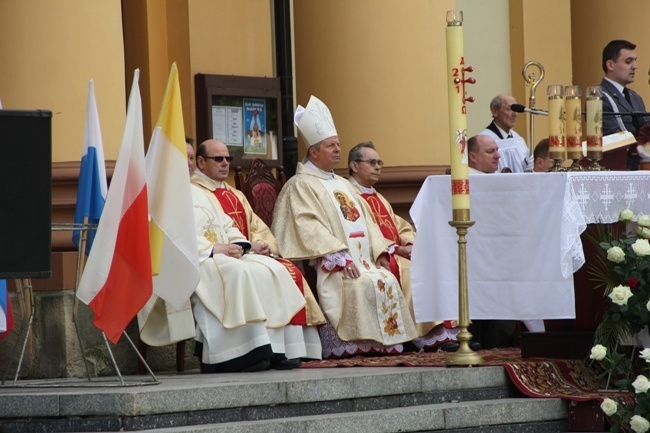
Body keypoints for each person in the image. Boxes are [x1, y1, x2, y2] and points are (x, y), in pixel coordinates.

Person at [272, 95, 418, 359]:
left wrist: (381, 252)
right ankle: (351, 344)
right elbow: (306, 225)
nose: (338, 149)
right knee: (359, 282)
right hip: (334, 263)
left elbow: (369, 221)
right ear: (313, 152)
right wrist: (337, 255)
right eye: (331, 146)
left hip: (364, 260)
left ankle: (378, 344)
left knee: (383, 277)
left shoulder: (343, 184)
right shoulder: (300, 184)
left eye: (338, 144)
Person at [190, 155, 320, 372]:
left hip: (225, 253)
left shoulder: (208, 193)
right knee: (241, 272)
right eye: (218, 158)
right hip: (201, 258)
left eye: (189, 157)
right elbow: (173, 236)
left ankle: (278, 348)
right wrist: (214, 249)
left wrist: (247, 245)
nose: (225, 163)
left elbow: (227, 224)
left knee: (274, 269)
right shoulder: (168, 191)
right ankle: (239, 353)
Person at [347, 141, 460, 350]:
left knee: (437, 263)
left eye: (379, 162)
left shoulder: (376, 195)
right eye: (372, 162)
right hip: (372, 256)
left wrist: (409, 243)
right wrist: (397, 249)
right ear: (354, 166)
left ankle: (445, 330)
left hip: (395, 252)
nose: (378, 167)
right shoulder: (348, 196)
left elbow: (399, 225)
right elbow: (358, 231)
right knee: (412, 270)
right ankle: (426, 334)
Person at [600, 40, 650, 170]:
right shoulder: (600, 97)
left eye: (635, 60)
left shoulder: (635, 97)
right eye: (628, 61)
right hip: (618, 168)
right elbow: (613, 137)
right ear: (610, 65)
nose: (635, 66)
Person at [479, 94, 532, 173]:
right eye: (509, 109)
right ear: (495, 112)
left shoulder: (518, 139)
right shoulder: (483, 140)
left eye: (516, 110)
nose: (515, 114)